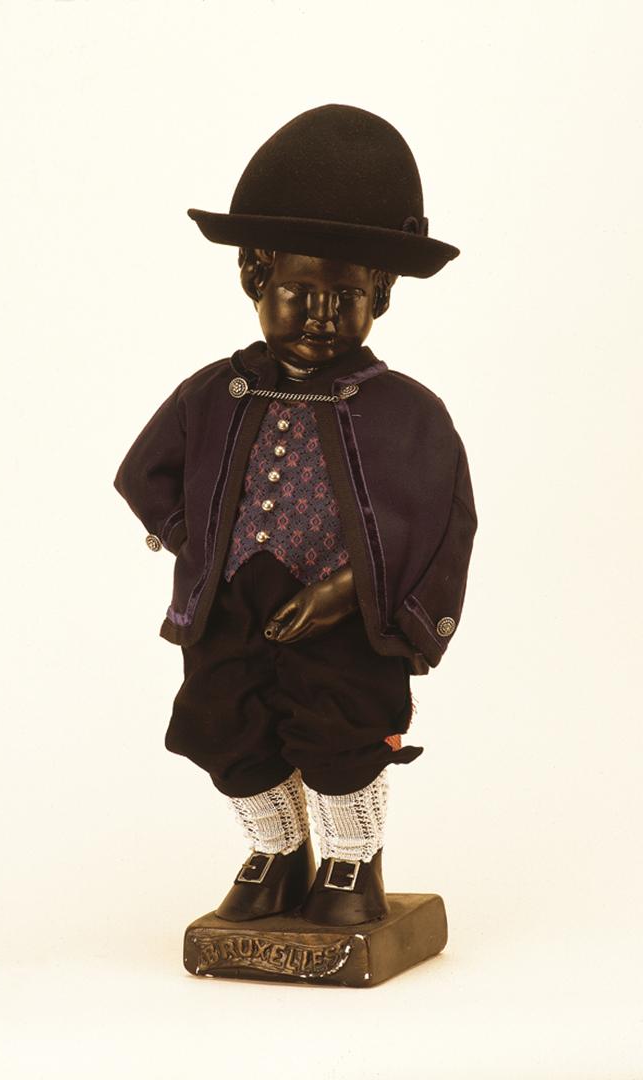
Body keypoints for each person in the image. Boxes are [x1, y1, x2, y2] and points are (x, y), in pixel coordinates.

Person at [114, 105, 477, 926]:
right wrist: (200, 549)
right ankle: (276, 854)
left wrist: (348, 591)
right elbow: (145, 474)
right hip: (230, 609)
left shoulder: (409, 414)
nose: (320, 315)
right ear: (255, 277)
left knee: (341, 733)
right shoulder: (214, 393)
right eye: (299, 293)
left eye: (344, 296)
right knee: (227, 725)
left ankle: (351, 863)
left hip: (345, 619)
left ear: (381, 295)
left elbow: (440, 524)